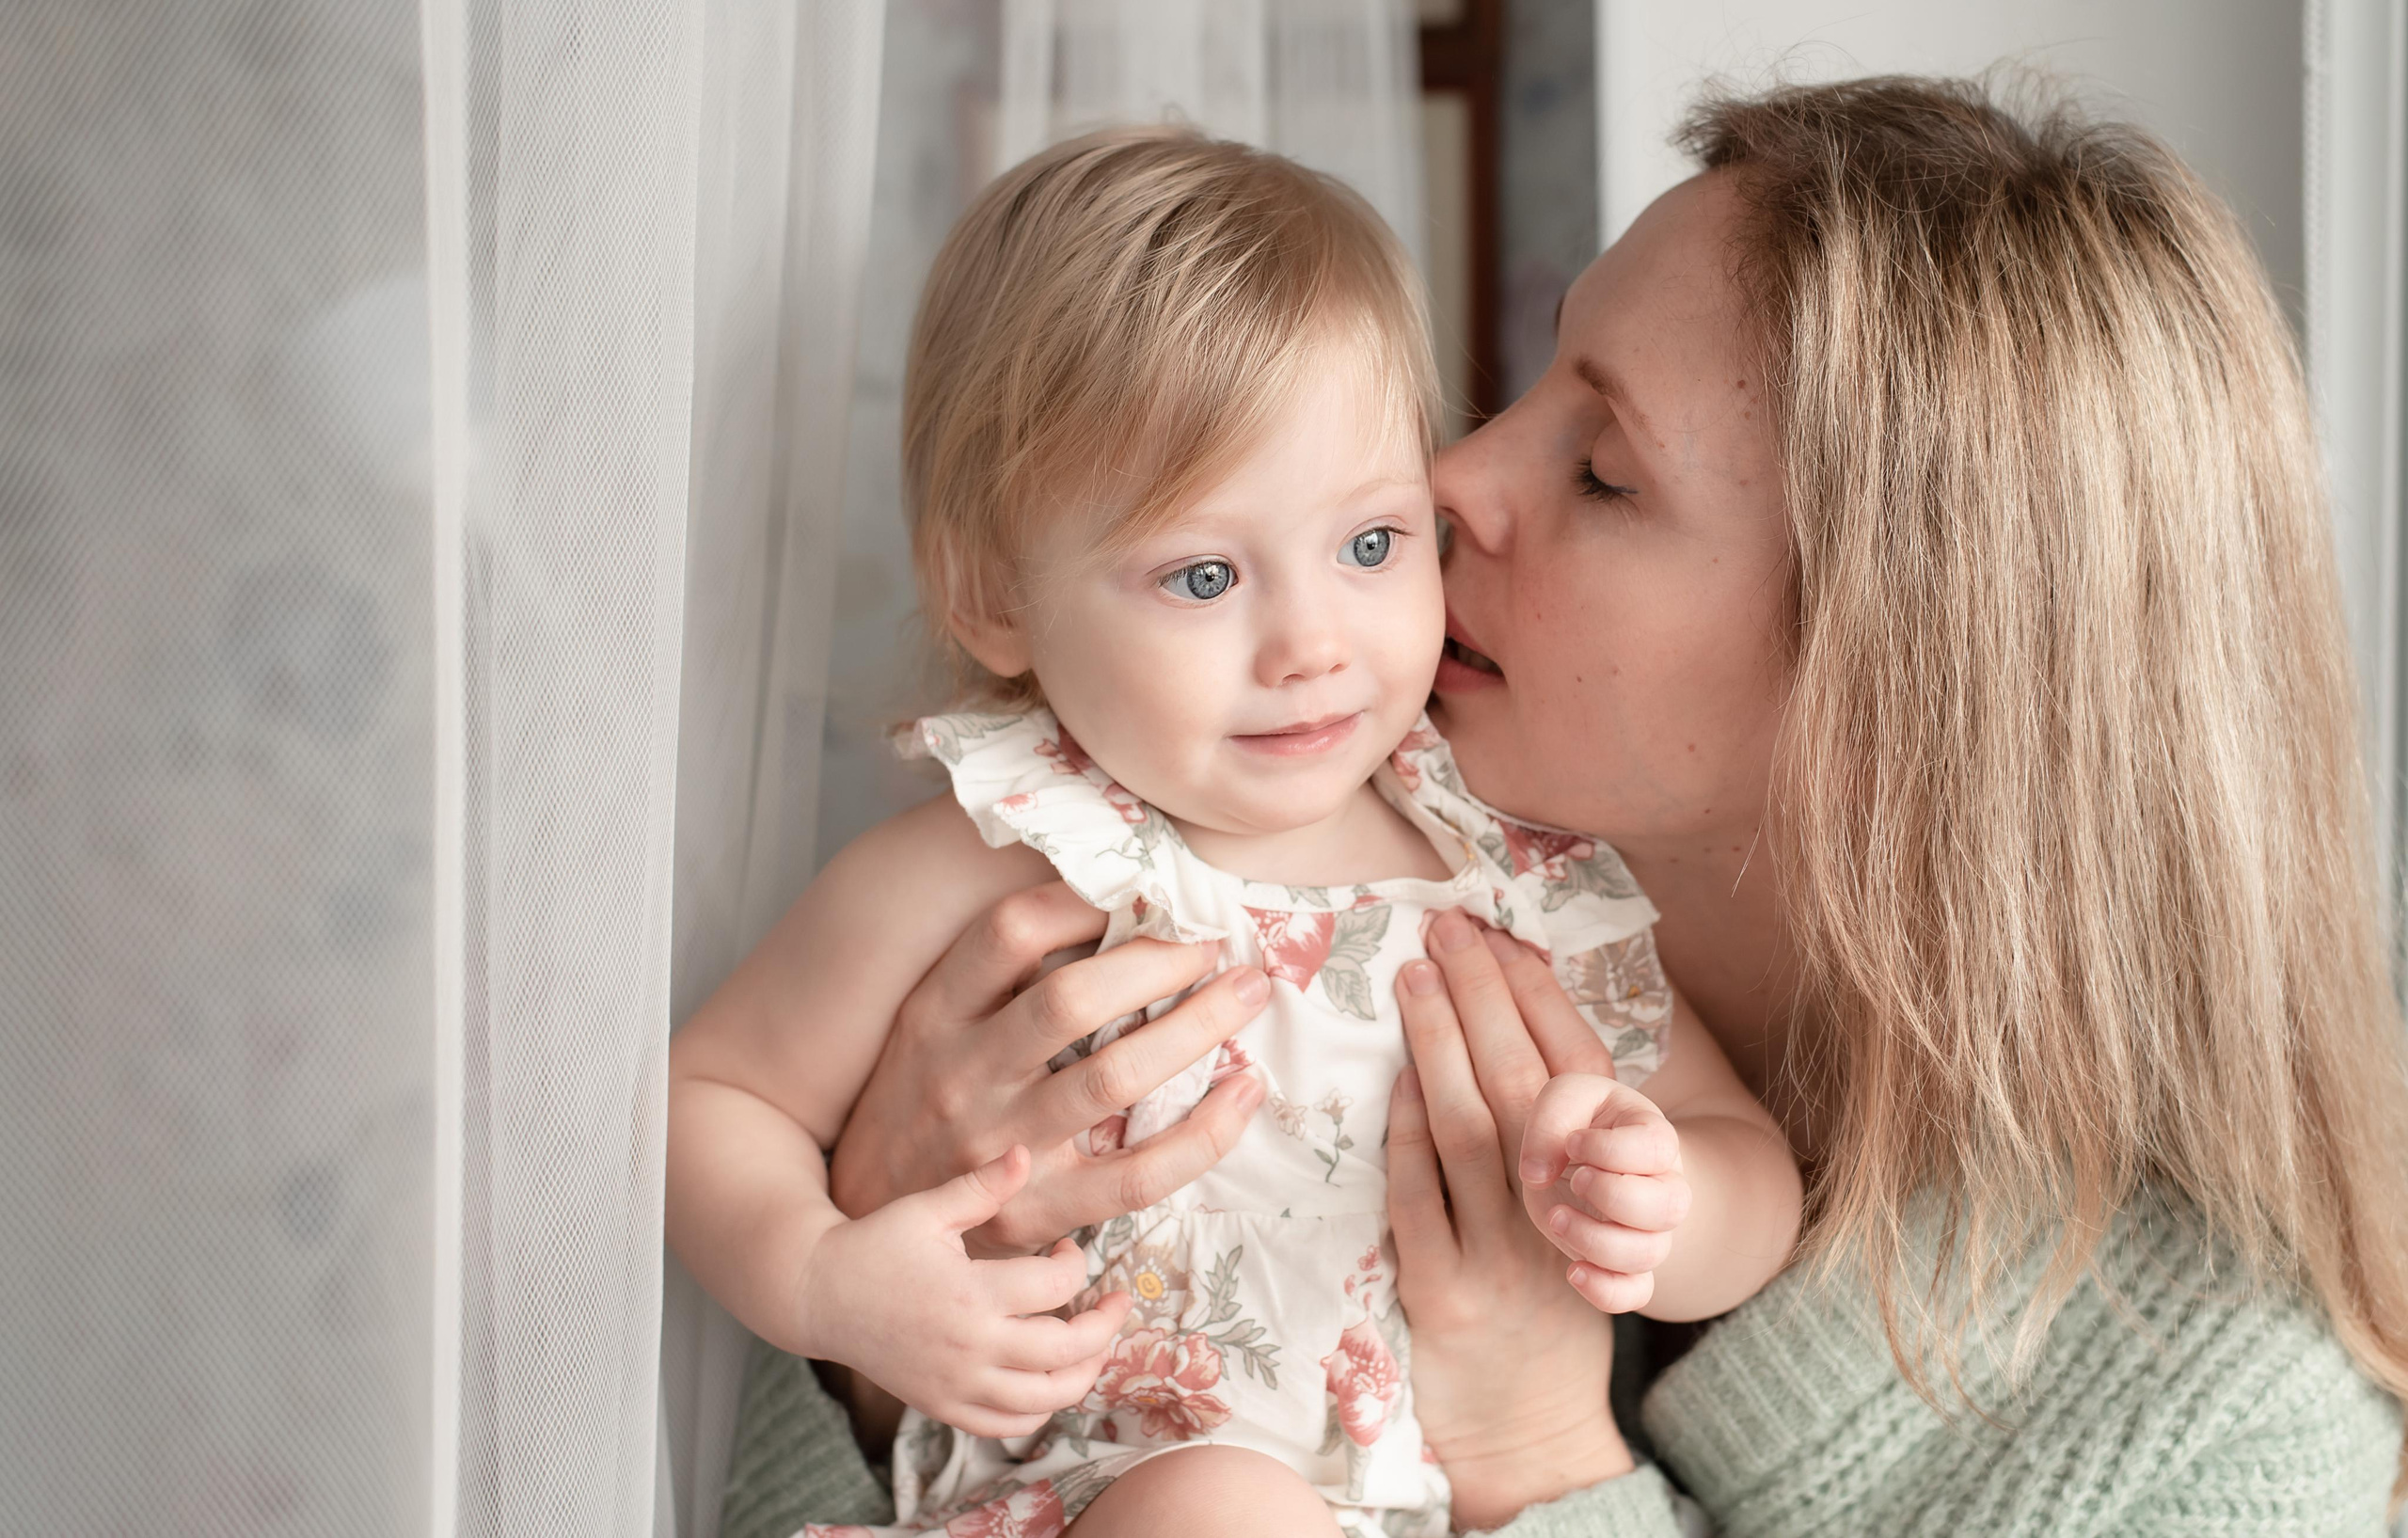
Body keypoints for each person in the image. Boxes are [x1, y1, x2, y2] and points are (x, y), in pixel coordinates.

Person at [713, 77, 2408, 1537]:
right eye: (1530, 383)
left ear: (1894, 697)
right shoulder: (1117, 882)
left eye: (1603, 472)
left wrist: (1534, 1453)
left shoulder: (2228, 1446)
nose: (1448, 479)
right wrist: (873, 1333)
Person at [667, 127, 1802, 1538]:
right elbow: (714, 1098)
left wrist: (1660, 1198)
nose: (1312, 644)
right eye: (1205, 575)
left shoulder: (1516, 870)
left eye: (1373, 545)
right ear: (998, 599)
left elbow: (1742, 1161)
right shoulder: (1008, 864)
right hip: (1106, 1500)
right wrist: (823, 1282)